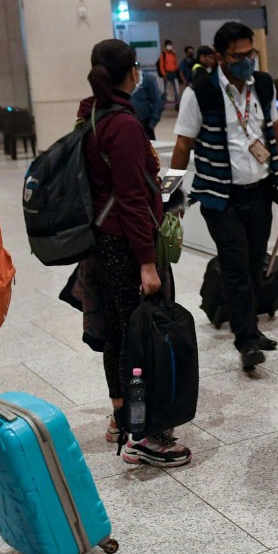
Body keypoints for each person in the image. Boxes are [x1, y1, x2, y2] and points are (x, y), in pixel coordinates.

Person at [82, 38, 190, 467]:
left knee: (119, 333)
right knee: (142, 338)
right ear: (130, 72)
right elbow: (130, 198)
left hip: (103, 241)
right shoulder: (123, 125)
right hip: (127, 246)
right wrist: (147, 263)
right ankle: (144, 437)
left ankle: (122, 419)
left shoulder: (91, 114)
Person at [171, 22, 278, 371]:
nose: (245, 61)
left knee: (255, 264)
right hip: (219, 197)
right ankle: (247, 341)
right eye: (237, 56)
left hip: (259, 192)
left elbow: (275, 129)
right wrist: (169, 194)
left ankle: (250, 327)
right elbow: (183, 144)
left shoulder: (264, 85)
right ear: (220, 58)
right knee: (237, 263)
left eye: (249, 54)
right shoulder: (201, 92)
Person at [129, 60, 165, 140]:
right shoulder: (125, 81)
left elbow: (157, 101)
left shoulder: (148, 79)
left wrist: (152, 123)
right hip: (129, 123)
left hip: (145, 122)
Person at [158, 39, 181, 106]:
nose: (169, 46)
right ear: (165, 46)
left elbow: (176, 64)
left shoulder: (173, 54)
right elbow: (161, 65)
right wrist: (164, 74)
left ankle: (177, 105)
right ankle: (162, 105)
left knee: (176, 90)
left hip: (173, 73)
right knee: (166, 90)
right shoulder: (163, 54)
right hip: (167, 73)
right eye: (168, 45)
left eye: (170, 45)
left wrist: (175, 54)